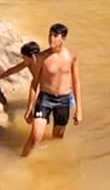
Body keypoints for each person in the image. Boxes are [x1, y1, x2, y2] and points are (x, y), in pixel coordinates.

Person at [20, 23, 82, 157]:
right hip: (45, 99)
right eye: (50, 35)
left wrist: (79, 109)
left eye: (55, 35)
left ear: (63, 38)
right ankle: (21, 159)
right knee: (36, 137)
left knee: (57, 138)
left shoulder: (72, 56)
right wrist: (29, 108)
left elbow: (76, 83)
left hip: (64, 100)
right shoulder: (42, 57)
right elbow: (34, 83)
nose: (51, 38)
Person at [0, 41, 43, 112]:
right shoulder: (28, 63)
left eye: (24, 56)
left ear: (32, 57)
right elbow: (12, 70)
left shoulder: (45, 64)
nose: (22, 58)